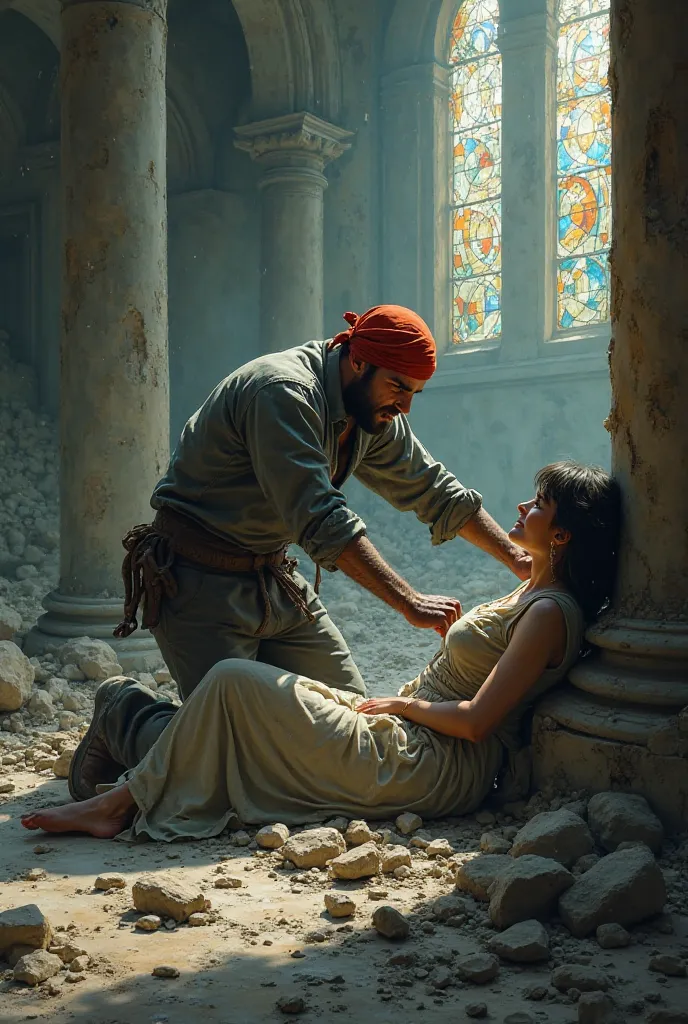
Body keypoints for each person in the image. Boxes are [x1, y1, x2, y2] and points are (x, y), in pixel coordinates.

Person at [69, 304, 529, 801]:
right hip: (197, 582)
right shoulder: (283, 393)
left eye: (415, 394)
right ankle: (126, 713)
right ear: (357, 361)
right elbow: (320, 520)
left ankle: (170, 728)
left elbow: (433, 491)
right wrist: (408, 601)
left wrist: (519, 560)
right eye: (399, 388)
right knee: (234, 762)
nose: (405, 407)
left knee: (350, 732)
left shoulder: (369, 409)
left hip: (275, 582)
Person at [23, 462, 620, 841]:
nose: (522, 507)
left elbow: (476, 722)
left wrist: (401, 707)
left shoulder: (547, 613)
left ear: (563, 534)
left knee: (235, 682)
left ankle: (120, 777)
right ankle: (125, 721)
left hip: (433, 762)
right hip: (412, 734)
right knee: (254, 715)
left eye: (538, 504)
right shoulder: (534, 587)